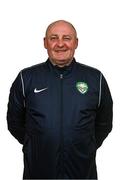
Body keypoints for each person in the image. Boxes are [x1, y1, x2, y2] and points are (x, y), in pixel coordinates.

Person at [7, 20, 113, 179]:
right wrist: (36, 145)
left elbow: (104, 124)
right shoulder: (26, 78)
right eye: (54, 38)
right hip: (38, 173)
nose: (60, 44)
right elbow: (15, 124)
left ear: (76, 43)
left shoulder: (95, 79)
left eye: (67, 38)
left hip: (82, 173)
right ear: (45, 43)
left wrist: (84, 145)